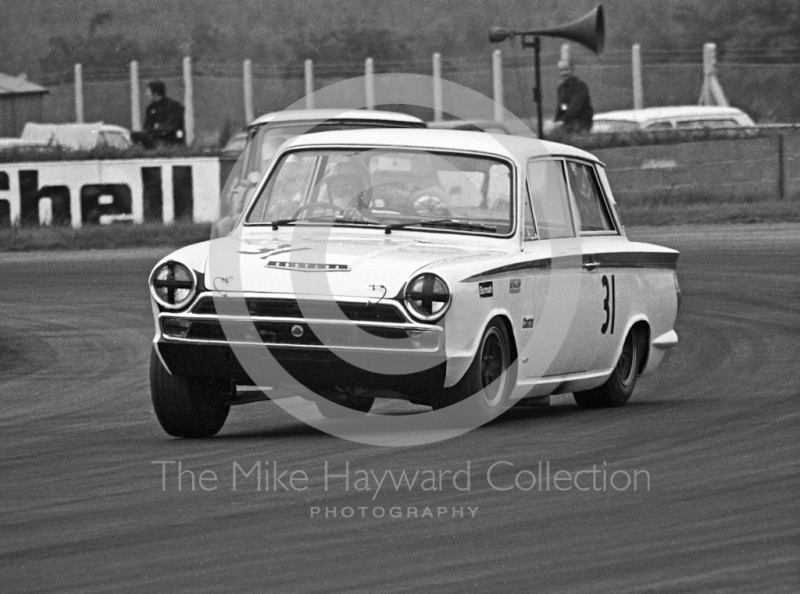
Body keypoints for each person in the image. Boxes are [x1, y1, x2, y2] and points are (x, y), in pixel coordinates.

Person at [133, 80, 185, 148]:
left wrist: (159, 127)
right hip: (154, 139)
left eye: (148, 91)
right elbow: (147, 126)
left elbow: (173, 125)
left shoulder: (172, 105)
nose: (146, 94)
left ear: (156, 92)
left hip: (170, 140)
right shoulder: (150, 108)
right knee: (134, 135)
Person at [553, 61, 594, 134]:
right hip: (568, 121)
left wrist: (563, 121)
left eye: (566, 70)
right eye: (561, 70)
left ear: (572, 70)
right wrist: (556, 122)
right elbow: (562, 107)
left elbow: (576, 105)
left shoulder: (580, 86)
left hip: (582, 121)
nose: (563, 73)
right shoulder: (561, 88)